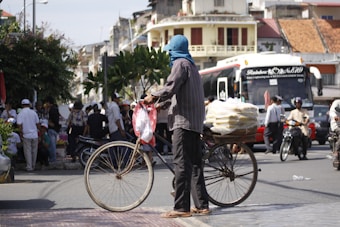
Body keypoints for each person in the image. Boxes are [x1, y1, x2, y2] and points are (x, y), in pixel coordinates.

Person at [144, 35, 210, 218]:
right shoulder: (192, 66)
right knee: (195, 164)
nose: (170, 55)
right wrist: (161, 104)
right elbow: (177, 94)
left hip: (183, 122)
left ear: (175, 50)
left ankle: (181, 208)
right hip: (195, 122)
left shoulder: (180, 64)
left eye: (170, 51)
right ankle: (202, 205)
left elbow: (171, 87)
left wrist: (153, 96)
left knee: (181, 164)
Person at [16, 99, 40, 171]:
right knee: (34, 151)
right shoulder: (34, 113)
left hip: (26, 135)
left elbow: (19, 125)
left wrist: (21, 133)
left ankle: (29, 167)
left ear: (22, 105)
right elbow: (38, 123)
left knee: (27, 151)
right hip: (34, 134)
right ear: (29, 104)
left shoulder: (20, 114)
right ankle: (33, 165)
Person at [44, 96, 61, 162]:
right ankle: (52, 158)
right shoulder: (55, 109)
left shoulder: (52, 110)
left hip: (52, 129)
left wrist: (48, 122)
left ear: (49, 102)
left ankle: (52, 158)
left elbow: (54, 121)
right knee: (52, 144)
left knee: (52, 144)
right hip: (55, 129)